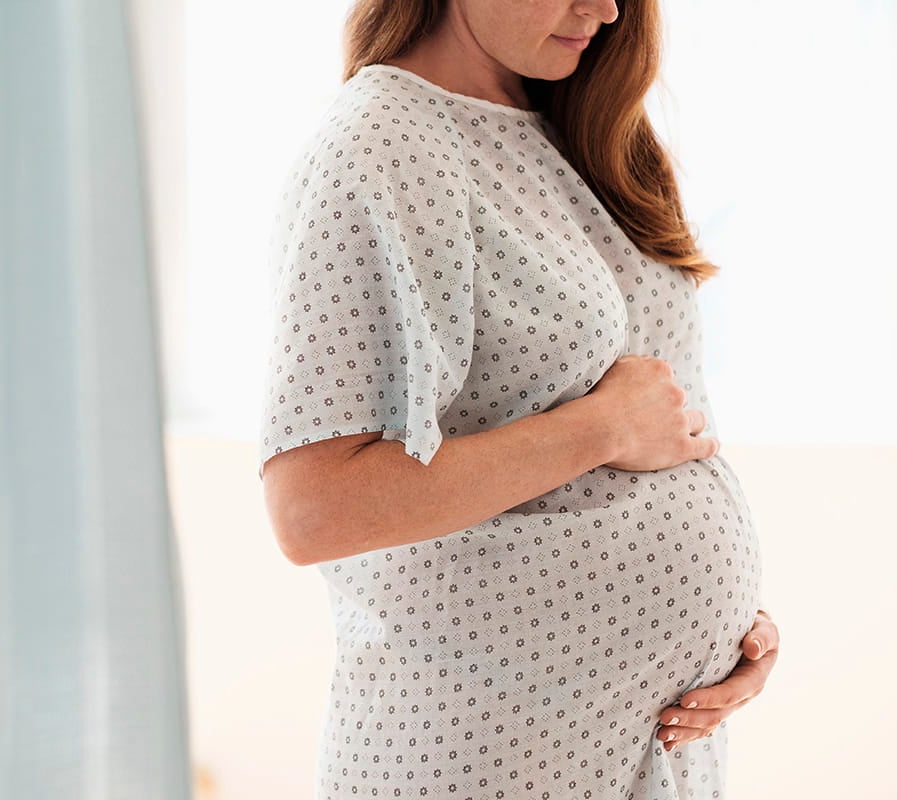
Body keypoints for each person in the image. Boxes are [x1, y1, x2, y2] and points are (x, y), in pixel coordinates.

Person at [258, 0, 781, 796]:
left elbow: (670, 424)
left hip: (655, 749)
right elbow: (312, 510)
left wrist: (735, 634)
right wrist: (598, 429)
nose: (604, 10)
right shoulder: (380, 148)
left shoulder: (592, 135)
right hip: (489, 752)